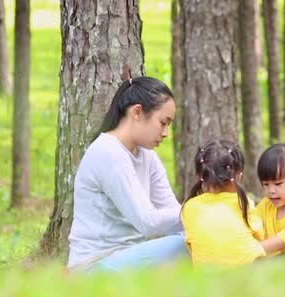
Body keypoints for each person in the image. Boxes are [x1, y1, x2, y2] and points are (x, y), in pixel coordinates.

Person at [67, 77, 188, 273]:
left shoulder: (147, 156)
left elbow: (174, 214)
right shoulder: (108, 152)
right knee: (186, 245)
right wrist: (196, 210)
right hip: (94, 265)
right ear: (137, 112)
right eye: (163, 123)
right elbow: (147, 222)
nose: (166, 133)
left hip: (129, 256)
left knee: (195, 239)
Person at [181, 139, 266, 267]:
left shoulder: (189, 207)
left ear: (199, 176)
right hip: (248, 277)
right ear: (238, 176)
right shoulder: (244, 203)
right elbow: (260, 236)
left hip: (206, 280)